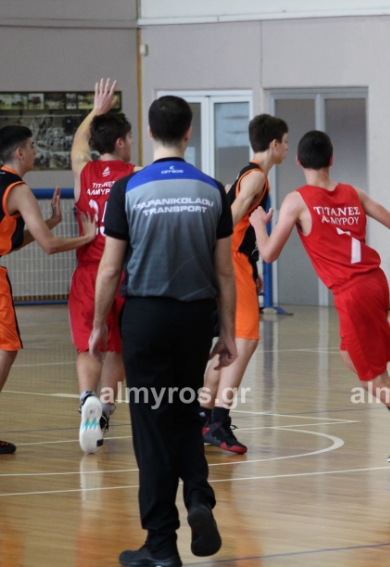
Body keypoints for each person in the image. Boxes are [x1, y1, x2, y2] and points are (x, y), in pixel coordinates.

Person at [249, 130, 390, 476]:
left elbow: (268, 254)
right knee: (348, 355)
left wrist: (258, 225)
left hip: (353, 292)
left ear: (298, 162)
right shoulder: (355, 193)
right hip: (375, 283)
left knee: (377, 379)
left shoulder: (296, 201)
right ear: (332, 159)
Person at [91, 95, 235, 566]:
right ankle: (198, 497)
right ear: (188, 133)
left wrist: (98, 325)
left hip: (147, 320)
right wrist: (227, 332)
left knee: (152, 428)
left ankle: (160, 545)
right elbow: (225, 272)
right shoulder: (213, 190)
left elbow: (110, 269)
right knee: (184, 414)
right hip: (195, 320)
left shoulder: (128, 189)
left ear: (150, 133)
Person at [0, 126, 96, 455]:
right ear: (19, 153)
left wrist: (50, 222)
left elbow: (12, 242)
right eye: (32, 146)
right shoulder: (17, 188)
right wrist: (86, 238)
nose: (36, 151)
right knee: (7, 349)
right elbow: (50, 246)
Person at [201, 114, 288, 454]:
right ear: (274, 144)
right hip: (232, 263)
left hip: (238, 263)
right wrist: (232, 260)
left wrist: (250, 263)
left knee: (229, 345)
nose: (287, 148)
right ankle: (218, 422)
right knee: (245, 342)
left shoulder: (246, 174)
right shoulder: (256, 178)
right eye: (285, 142)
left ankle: (203, 416)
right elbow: (230, 218)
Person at [69, 78, 139, 454]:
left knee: (88, 346)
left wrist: (96, 111)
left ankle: (87, 398)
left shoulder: (83, 172)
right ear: (121, 143)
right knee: (118, 349)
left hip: (87, 273)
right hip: (123, 272)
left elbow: (77, 145)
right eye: (129, 138)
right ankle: (106, 411)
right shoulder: (136, 174)